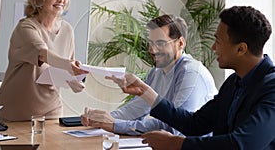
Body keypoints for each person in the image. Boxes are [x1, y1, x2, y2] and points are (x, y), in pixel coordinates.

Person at [107, 6, 275, 150]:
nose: (213, 47)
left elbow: (241, 144)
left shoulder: (271, 88)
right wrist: (145, 92)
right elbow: (195, 123)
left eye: (218, 41)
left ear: (241, 49)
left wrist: (178, 144)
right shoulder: (234, 82)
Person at [81, 14, 218, 136]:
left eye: (160, 43)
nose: (152, 50)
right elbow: (138, 108)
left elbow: (175, 127)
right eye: (151, 43)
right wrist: (102, 119)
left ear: (180, 43)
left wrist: (115, 125)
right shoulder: (157, 71)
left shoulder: (191, 73)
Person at [0, 0, 88, 122]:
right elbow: (42, 54)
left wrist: (73, 81)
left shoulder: (67, 30)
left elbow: (61, 70)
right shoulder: (26, 27)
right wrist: (69, 65)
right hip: (17, 110)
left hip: (51, 109)